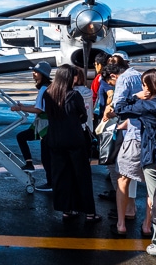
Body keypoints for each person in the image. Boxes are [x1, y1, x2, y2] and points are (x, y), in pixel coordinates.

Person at [112, 68, 156, 260]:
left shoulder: (148, 105)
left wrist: (134, 96)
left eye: (145, 85)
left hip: (151, 153)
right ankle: (150, 229)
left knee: (155, 196)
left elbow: (119, 108)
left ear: (149, 86)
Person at [43, 64, 101, 223]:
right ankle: (89, 212)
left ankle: (67, 209)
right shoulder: (74, 95)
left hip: (54, 139)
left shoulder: (48, 93)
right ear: (68, 77)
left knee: (61, 176)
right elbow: (83, 116)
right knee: (82, 176)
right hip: (74, 139)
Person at [101, 60, 143, 236]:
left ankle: (121, 223)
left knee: (122, 177)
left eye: (111, 83)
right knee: (148, 183)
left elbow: (118, 106)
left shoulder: (124, 79)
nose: (112, 86)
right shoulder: (139, 75)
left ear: (113, 75)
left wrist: (109, 114)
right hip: (146, 133)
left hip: (133, 135)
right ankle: (143, 220)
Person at [11, 61, 53, 190]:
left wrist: (21, 108)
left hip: (45, 125)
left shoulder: (44, 89)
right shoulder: (47, 87)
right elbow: (38, 107)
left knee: (46, 157)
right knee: (22, 137)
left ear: (43, 74)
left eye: (36, 72)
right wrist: (23, 107)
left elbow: (39, 109)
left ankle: (51, 183)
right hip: (43, 124)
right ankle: (29, 164)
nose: (33, 73)